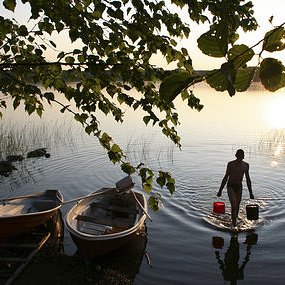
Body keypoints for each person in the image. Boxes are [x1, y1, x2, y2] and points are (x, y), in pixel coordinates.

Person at [217, 149, 254, 227]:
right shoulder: (230, 164)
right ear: (236, 155)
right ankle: (234, 225)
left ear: (243, 156)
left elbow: (248, 179)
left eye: (242, 156)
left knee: (237, 205)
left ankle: (234, 219)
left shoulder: (246, 165)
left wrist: (251, 192)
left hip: (239, 187)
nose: (240, 157)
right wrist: (220, 190)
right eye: (239, 156)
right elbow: (226, 177)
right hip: (230, 186)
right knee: (234, 204)